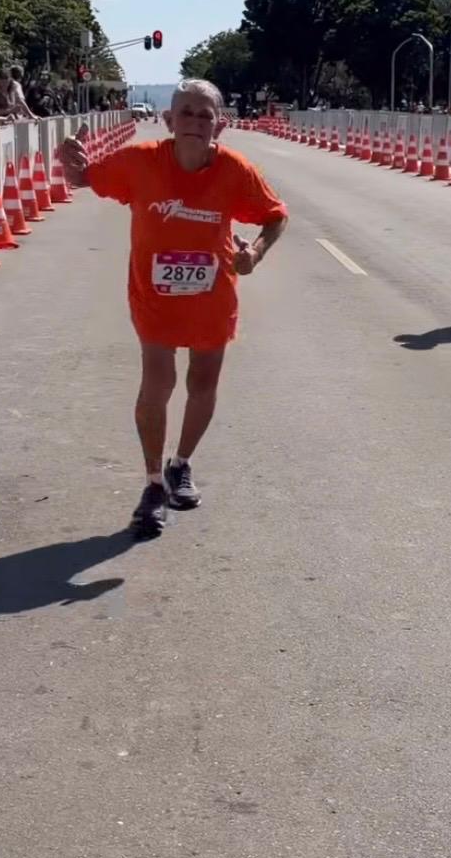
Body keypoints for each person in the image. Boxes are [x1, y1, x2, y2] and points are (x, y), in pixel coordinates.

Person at [56, 79, 289, 540]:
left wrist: (256, 253)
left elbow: (275, 214)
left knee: (202, 382)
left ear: (219, 126)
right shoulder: (141, 162)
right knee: (158, 382)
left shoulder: (235, 170)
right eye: (186, 112)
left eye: (205, 116)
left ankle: (180, 464)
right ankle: (152, 485)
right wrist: (70, 162)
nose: (195, 123)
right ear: (168, 120)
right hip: (155, 295)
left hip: (212, 295)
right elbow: (84, 178)